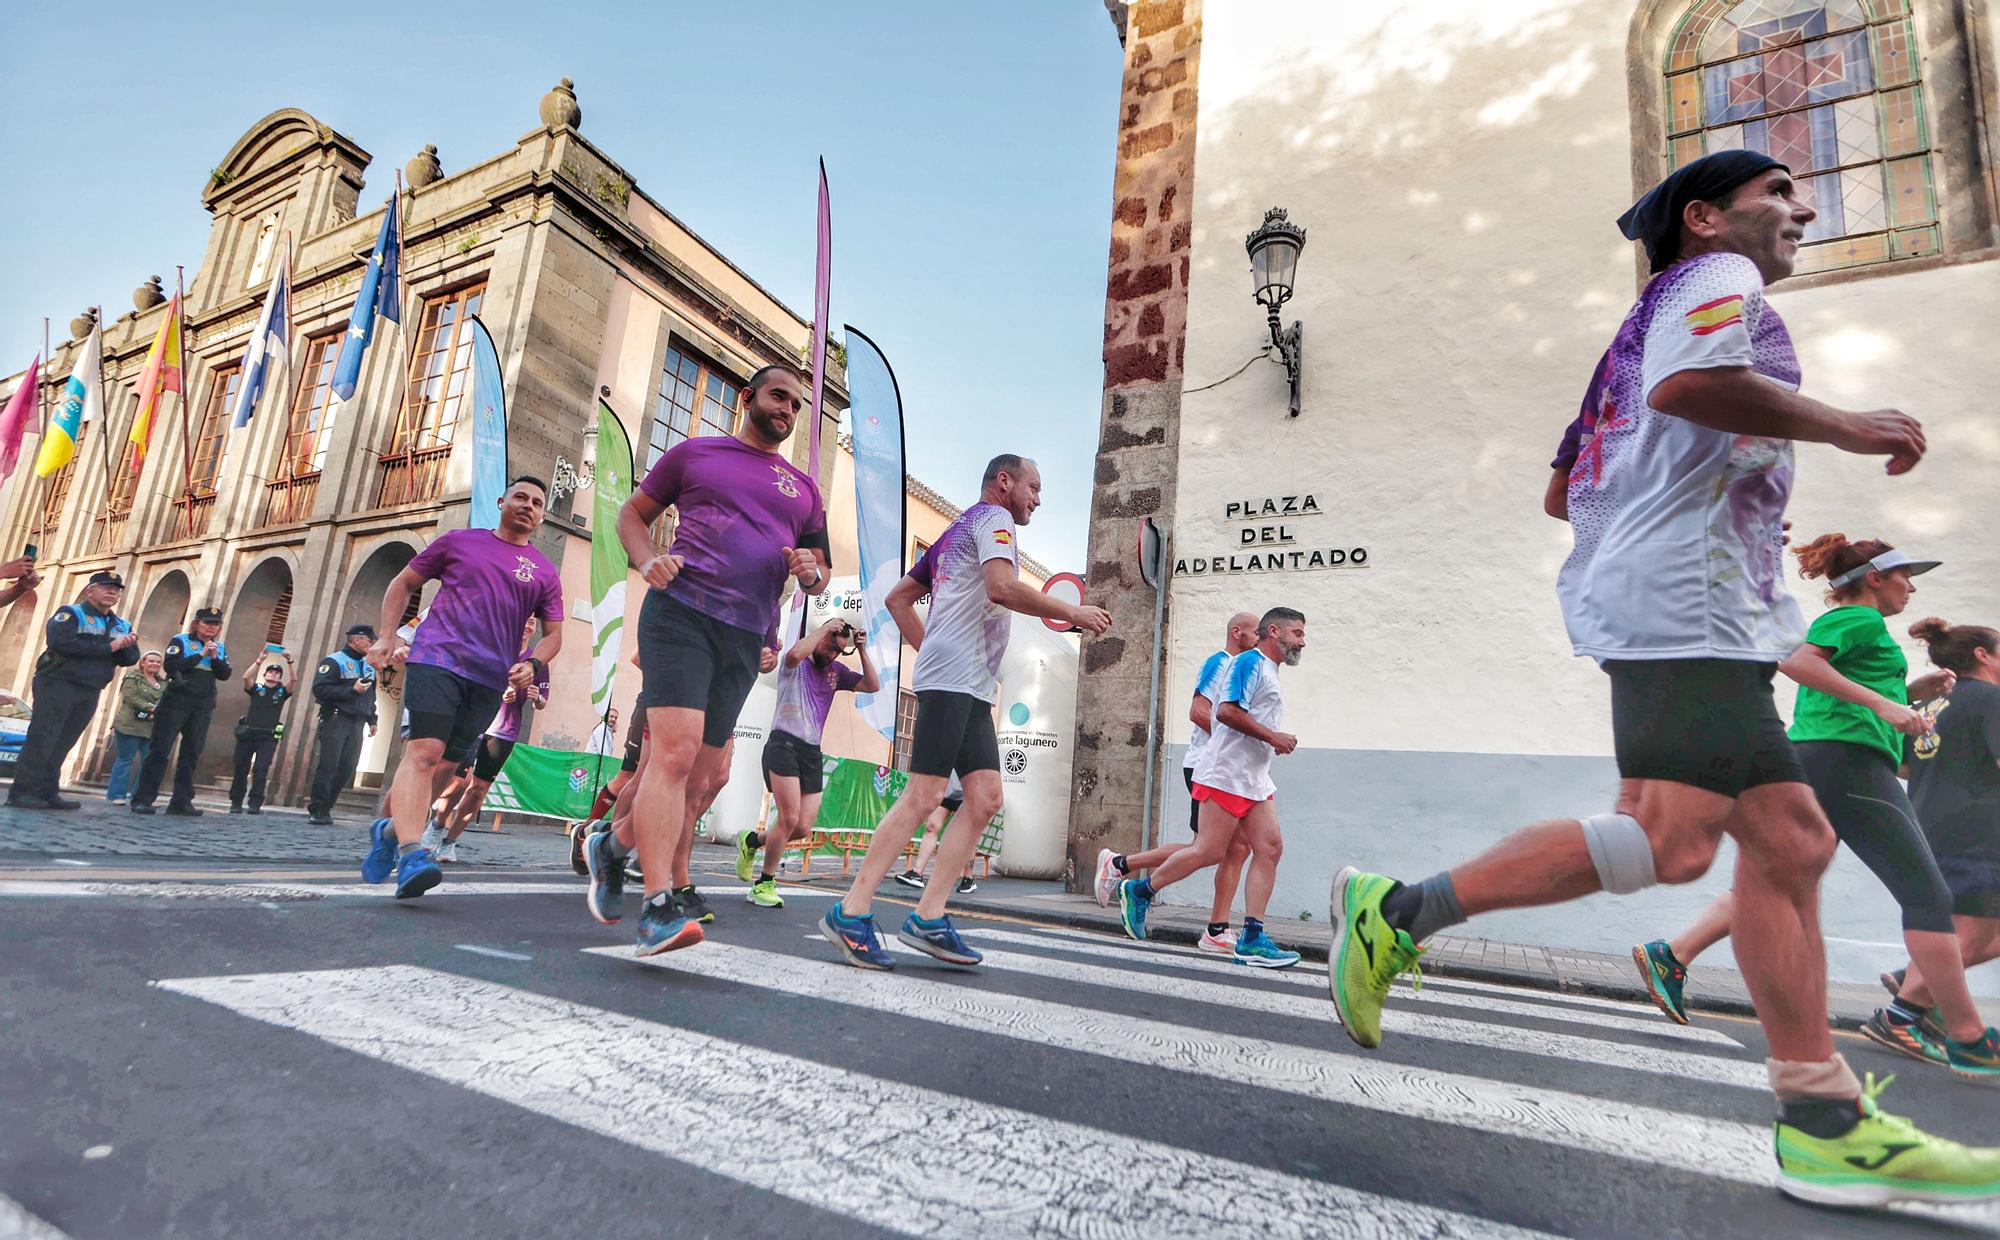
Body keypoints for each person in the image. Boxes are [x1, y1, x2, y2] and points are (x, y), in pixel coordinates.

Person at [1325, 150, 2000, 1206]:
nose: (1800, 205)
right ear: (1702, 216)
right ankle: (1396, 911)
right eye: (1774, 192)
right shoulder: (1711, 281)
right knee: (1681, 840)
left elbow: (1565, 492)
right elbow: (1690, 388)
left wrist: (1717, 492)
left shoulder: (1634, 330)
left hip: (1685, 602)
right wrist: (1840, 423)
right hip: (1686, 605)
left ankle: (1820, 1117)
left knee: (1781, 837)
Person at [1633, 536, 1998, 1077]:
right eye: (1905, 576)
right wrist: (1886, 704)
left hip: (1829, 759)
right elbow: (1799, 664)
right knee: (1928, 894)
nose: (1912, 586)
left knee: (1779, 880)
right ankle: (1964, 1034)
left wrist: (1907, 691)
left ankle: (1674, 954)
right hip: (1845, 764)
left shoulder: (1864, 631)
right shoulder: (1861, 619)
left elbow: (1841, 687)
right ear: (1875, 578)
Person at [821, 454, 1110, 969]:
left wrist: (930, 648)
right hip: (954, 680)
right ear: (1005, 482)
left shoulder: (959, 531)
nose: (1037, 500)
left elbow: (898, 598)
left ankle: (929, 916)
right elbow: (1001, 587)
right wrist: (1071, 611)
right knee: (924, 795)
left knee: (984, 797)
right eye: (1034, 488)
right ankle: (851, 911)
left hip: (968, 684)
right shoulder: (993, 519)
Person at [586, 363, 829, 952]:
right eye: (778, 397)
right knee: (672, 756)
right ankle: (657, 906)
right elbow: (631, 516)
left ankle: (612, 846)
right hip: (681, 615)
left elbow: (822, 570)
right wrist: (647, 560)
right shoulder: (694, 454)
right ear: (747, 398)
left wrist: (811, 573)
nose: (788, 411)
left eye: (797, 405)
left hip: (745, 637)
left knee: (700, 778)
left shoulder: (805, 489)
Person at [360, 477, 563, 899]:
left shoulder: (544, 570)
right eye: (520, 497)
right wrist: (386, 636)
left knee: (449, 767)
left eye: (537, 502)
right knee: (424, 752)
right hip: (438, 658)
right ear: (501, 501)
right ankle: (414, 853)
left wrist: (533, 662)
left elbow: (554, 634)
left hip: (490, 677)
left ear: (542, 516)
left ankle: (392, 828)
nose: (528, 505)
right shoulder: (458, 542)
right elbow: (403, 584)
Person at [1116, 607, 1304, 969]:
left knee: (1270, 847)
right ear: (1274, 632)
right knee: (1208, 850)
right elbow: (1227, 712)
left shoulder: (1269, 669)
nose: (1302, 641)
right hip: (1225, 772)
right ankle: (1139, 890)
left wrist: (1270, 742)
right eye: (1296, 633)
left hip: (1254, 777)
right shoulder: (1249, 662)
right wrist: (1273, 737)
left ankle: (1251, 937)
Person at [1093, 612, 1258, 953]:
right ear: (1236, 632)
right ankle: (1133, 879)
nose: (1259, 639)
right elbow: (1198, 712)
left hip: (1228, 770)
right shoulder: (1220, 662)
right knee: (1211, 849)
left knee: (1232, 848)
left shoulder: (1242, 669)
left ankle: (1214, 927)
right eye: (1256, 632)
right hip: (1207, 767)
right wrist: (1238, 741)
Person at [1886, 619, 2000, 1043]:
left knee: (1969, 932)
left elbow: (1901, 763)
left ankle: (1919, 973)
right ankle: (1902, 1012)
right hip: (1980, 834)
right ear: (1982, 655)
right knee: (1971, 937)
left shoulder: (1932, 706)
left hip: (1931, 828)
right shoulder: (1992, 699)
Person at [737, 617, 879, 907]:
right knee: (787, 818)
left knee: (801, 827)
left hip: (812, 752)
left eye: (839, 651)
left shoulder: (836, 672)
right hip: (783, 744)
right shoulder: (797, 664)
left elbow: (872, 685)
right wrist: (825, 628)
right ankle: (763, 883)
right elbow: (792, 655)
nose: (832, 655)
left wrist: (862, 650)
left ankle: (751, 841)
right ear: (822, 636)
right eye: (831, 646)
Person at [7, 571, 137, 810]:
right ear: (90, 591)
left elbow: (130, 657)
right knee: (43, 738)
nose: (112, 592)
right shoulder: (71, 613)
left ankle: (47, 792)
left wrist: (123, 646)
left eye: (116, 589)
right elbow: (62, 644)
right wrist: (110, 646)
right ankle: (22, 792)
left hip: (91, 687)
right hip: (58, 682)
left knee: (65, 741)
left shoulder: (121, 624)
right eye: (106, 587)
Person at [423, 620, 550, 863]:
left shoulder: (536, 661)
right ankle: (436, 826)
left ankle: (450, 842)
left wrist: (536, 699)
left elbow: (543, 699)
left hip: (505, 730)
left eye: (533, 623)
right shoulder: (495, 647)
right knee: (459, 782)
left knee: (478, 789)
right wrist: (499, 692)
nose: (527, 626)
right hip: (477, 722)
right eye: (525, 620)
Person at [131, 606, 231, 816]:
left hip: (202, 704)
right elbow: (171, 665)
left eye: (216, 624)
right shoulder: (181, 640)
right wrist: (200, 655)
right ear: (197, 623)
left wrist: (214, 657)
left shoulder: (219, 647)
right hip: (176, 702)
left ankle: (181, 801)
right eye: (207, 623)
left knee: (192, 753)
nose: (212, 628)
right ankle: (143, 799)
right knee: (160, 750)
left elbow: (224, 674)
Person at [307, 624, 379, 824]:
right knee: (329, 765)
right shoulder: (334, 661)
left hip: (357, 722)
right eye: (369, 640)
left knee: (348, 767)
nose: (372, 643)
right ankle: (317, 808)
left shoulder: (368, 664)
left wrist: (372, 718)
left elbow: (371, 695)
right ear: (357, 640)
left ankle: (327, 806)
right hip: (336, 718)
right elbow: (320, 690)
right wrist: (351, 691)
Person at [229, 651, 296, 814]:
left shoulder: (281, 693)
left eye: (277, 673)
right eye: (271, 672)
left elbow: (293, 680)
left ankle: (255, 802)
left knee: (261, 769)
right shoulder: (256, 689)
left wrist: (290, 662)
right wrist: (259, 661)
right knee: (241, 768)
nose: (274, 674)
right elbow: (246, 678)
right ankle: (236, 801)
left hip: (268, 736)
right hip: (248, 734)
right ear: (265, 675)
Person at [894, 772, 980, 894]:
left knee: (968, 835)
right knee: (931, 826)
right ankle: (917, 873)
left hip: (968, 793)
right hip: (945, 790)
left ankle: (968, 878)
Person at [106, 650, 165, 804]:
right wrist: (151, 707)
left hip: (151, 726)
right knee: (125, 759)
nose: (155, 664)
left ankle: (140, 796)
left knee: (148, 762)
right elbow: (131, 697)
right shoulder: (132, 677)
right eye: (151, 661)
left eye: (158, 662)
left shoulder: (163, 683)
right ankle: (117, 795)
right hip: (130, 724)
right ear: (143, 662)